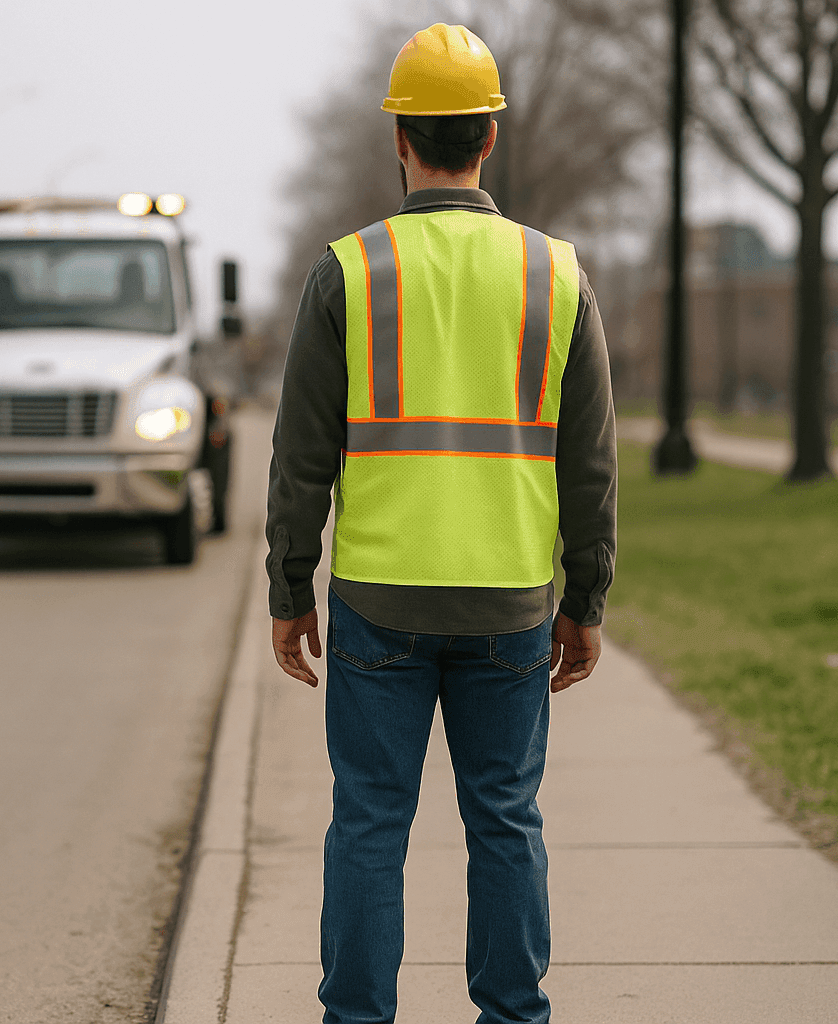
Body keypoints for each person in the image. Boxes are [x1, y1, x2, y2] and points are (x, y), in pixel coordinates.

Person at [264, 23, 617, 1024]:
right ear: (491, 136)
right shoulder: (557, 275)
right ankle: (514, 1016)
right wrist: (585, 597)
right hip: (509, 600)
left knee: (370, 821)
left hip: (379, 602)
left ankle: (357, 1017)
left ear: (400, 139)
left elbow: (300, 457)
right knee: (505, 819)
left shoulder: (350, 271)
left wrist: (290, 590)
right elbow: (588, 463)